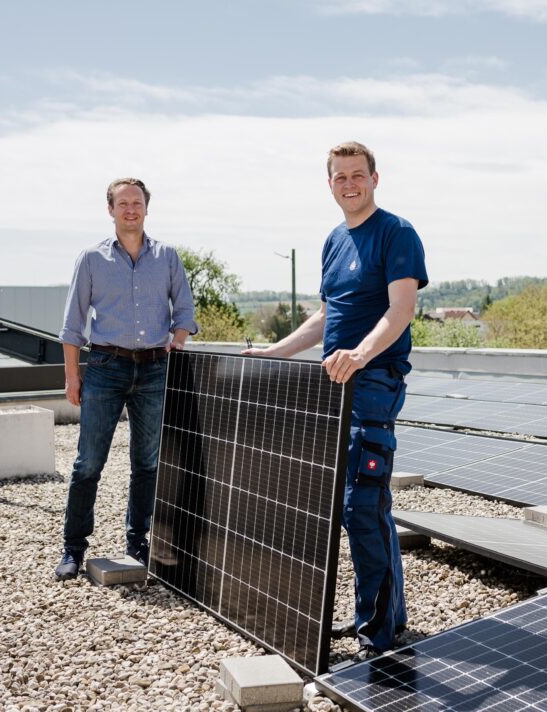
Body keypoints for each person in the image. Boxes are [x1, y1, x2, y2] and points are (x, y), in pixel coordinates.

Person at [243, 141, 428, 660]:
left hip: (373, 382)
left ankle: (380, 634)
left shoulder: (396, 232)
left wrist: (361, 354)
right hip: (333, 385)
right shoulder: (334, 240)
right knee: (351, 504)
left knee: (362, 504)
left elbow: (400, 310)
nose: (349, 184)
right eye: (339, 177)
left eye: (357, 175)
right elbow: (327, 316)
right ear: (330, 184)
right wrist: (275, 352)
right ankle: (381, 615)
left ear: (375, 178)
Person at [54, 178, 197, 580]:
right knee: (88, 464)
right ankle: (73, 548)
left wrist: (177, 344)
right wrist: (72, 377)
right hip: (104, 368)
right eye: (123, 204)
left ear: (147, 209)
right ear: (111, 210)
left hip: (155, 371)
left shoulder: (166, 256)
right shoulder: (92, 259)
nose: (130, 209)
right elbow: (72, 326)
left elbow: (184, 311)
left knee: (147, 463)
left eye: (137, 203)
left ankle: (138, 541)